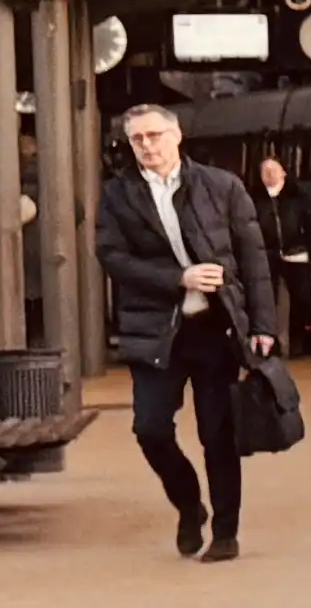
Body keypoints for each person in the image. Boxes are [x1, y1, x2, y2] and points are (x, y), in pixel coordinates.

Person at [101, 97, 281, 561]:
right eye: (137, 139)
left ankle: (225, 532)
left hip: (214, 328)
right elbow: (113, 257)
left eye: (154, 135)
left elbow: (254, 258)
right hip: (156, 331)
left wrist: (262, 324)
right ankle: (188, 506)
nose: (146, 145)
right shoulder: (117, 194)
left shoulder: (221, 186)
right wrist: (176, 279)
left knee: (218, 432)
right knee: (150, 428)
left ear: (177, 136)